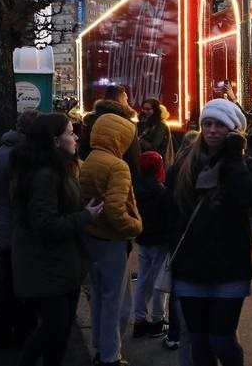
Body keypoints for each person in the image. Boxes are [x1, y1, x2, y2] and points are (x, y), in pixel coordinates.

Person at [167, 99, 252, 366]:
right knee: (199, 340)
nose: (211, 130)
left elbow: (249, 198)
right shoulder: (185, 164)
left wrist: (234, 157)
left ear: (233, 130)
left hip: (229, 267)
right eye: (207, 124)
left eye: (220, 125)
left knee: (221, 339)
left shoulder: (245, 163)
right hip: (190, 266)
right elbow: (170, 210)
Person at [10, 112, 104, 366]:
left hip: (60, 265)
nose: (75, 137)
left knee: (59, 331)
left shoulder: (58, 169)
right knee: (54, 327)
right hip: (47, 267)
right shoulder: (46, 176)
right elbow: (46, 224)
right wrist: (86, 216)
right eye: (70, 132)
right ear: (54, 141)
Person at [80, 113, 144, 366]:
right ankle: (111, 355)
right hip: (112, 242)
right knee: (116, 302)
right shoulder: (118, 166)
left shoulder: (89, 160)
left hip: (92, 237)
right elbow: (116, 210)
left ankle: (100, 347)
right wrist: (135, 226)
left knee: (98, 297)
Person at [0, 108, 40, 350]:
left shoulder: (2, 149)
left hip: (0, 224)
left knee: (7, 286)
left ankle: (1, 334)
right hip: (13, 229)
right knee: (16, 288)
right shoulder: (19, 156)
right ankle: (13, 336)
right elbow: (20, 197)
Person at [162, 130, 198, 362]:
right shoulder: (200, 170)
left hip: (177, 234)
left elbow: (167, 203)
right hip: (193, 235)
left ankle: (174, 333)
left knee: (177, 288)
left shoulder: (174, 169)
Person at [132, 151, 172, 339]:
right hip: (159, 242)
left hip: (142, 238)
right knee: (159, 282)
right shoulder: (162, 192)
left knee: (142, 279)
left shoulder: (135, 187)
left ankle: (139, 320)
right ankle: (157, 320)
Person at [79, 84, 141, 178]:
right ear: (120, 99)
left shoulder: (92, 119)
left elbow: (83, 149)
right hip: (117, 173)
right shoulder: (126, 122)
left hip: (92, 171)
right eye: (126, 99)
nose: (127, 102)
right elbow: (133, 157)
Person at [138, 98, 175, 167]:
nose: (145, 111)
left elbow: (154, 147)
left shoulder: (161, 126)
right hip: (144, 160)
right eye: (143, 109)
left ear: (155, 110)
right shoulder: (142, 122)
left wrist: (139, 140)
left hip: (156, 162)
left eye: (148, 109)